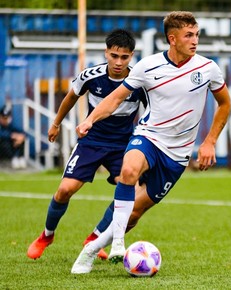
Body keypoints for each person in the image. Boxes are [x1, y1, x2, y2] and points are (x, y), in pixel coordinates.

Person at [71, 11, 231, 274]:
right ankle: (118, 244)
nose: (195, 41)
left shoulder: (207, 68)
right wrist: (90, 120)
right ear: (172, 38)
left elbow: (225, 104)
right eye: (189, 35)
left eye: (196, 35)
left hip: (177, 155)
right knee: (129, 171)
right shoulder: (148, 66)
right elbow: (115, 98)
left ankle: (90, 249)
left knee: (134, 214)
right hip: (148, 136)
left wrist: (210, 141)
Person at [26, 29, 147, 260]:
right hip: (91, 142)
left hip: (122, 144)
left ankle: (94, 237)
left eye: (124, 57)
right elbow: (71, 96)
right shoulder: (90, 76)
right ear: (106, 53)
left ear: (132, 56)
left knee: (128, 188)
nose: (118, 62)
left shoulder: (138, 83)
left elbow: (150, 110)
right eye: (114, 55)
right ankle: (47, 235)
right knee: (65, 190)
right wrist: (56, 123)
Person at [0, 104, 26, 169]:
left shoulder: (12, 124)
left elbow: (23, 133)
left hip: (11, 144)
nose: (4, 120)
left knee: (20, 140)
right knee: (5, 143)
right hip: (3, 146)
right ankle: (13, 159)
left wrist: (20, 137)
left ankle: (20, 158)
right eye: (3, 117)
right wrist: (11, 136)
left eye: (6, 118)